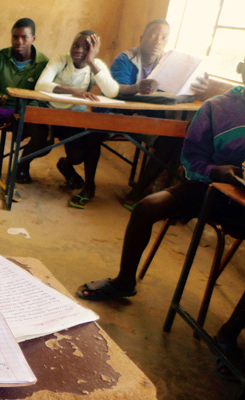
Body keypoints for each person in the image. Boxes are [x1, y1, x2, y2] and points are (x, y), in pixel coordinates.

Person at [76, 57, 245, 306]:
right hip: (209, 189)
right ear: (241, 70)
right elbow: (192, 156)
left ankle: (229, 334)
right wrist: (214, 170)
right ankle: (124, 281)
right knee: (147, 207)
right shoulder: (217, 107)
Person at [109, 19, 208, 210]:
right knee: (94, 133)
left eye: (164, 37)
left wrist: (198, 88)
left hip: (150, 119)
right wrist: (136, 87)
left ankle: (138, 190)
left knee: (173, 141)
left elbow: (173, 91)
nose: (157, 41)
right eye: (153, 35)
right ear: (142, 37)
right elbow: (115, 89)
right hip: (122, 116)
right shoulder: (125, 58)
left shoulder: (169, 63)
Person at [34, 30, 119, 208]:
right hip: (50, 113)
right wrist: (73, 91)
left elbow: (112, 91)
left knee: (77, 156)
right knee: (42, 145)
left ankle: (65, 165)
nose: (79, 49)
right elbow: (41, 84)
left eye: (86, 47)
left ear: (94, 50)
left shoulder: (96, 65)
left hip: (74, 119)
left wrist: (91, 62)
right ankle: (21, 168)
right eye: (76, 44)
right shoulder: (61, 59)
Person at [0, 18, 49, 183]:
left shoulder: (43, 63)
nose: (19, 41)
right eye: (15, 37)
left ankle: (21, 168)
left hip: (27, 112)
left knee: (43, 136)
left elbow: (42, 96)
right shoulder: (1, 57)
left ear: (33, 38)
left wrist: (23, 113)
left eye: (24, 37)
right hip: (1, 109)